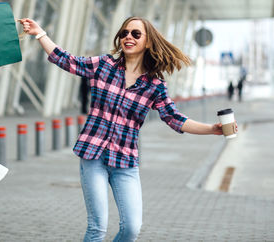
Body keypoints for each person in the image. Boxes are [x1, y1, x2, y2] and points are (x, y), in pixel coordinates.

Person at [20, 16, 234, 242]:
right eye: (124, 33)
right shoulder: (104, 65)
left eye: (135, 34)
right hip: (93, 157)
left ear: (148, 42)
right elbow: (66, 60)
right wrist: (40, 33)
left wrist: (213, 128)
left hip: (125, 163)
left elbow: (175, 118)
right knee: (97, 228)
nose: (128, 37)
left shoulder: (155, 85)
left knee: (132, 228)